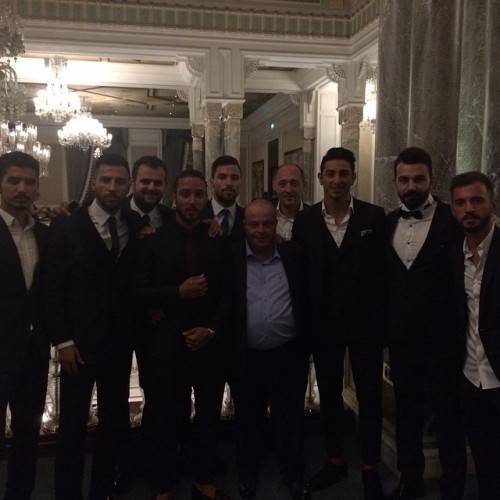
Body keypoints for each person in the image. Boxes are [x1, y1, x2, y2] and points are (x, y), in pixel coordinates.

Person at [45, 153, 143, 500]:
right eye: (106, 180)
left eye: (119, 181)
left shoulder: (135, 223)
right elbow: (51, 288)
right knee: (72, 426)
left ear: (128, 185)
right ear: (94, 183)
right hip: (78, 347)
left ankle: (103, 490)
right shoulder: (66, 227)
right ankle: (67, 494)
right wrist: (62, 340)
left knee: (113, 422)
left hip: (118, 344)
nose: (112, 187)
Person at [293, 147, 386, 500]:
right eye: (330, 173)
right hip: (323, 326)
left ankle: (371, 466)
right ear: (319, 178)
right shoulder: (305, 221)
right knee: (330, 395)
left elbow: (384, 274)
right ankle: (335, 460)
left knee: (370, 396)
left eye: (343, 173)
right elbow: (300, 275)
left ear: (353, 177)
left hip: (366, 326)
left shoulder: (375, 217)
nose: (337, 180)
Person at [134, 169, 233, 500]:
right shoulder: (153, 241)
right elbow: (139, 293)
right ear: (173, 197)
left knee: (208, 415)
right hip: (166, 345)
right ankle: (164, 483)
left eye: (198, 194)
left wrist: (211, 329)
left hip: (208, 343)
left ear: (206, 197)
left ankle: (202, 477)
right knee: (165, 416)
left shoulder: (218, 239)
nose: (192, 201)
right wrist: (177, 292)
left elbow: (229, 294)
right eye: (185, 194)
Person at [386, 147, 466, 500]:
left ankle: (453, 487)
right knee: (406, 414)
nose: (411, 186)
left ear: (431, 179)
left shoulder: (453, 220)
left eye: (418, 179)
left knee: (448, 418)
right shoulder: (387, 222)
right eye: (404, 179)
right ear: (395, 182)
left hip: (444, 342)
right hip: (402, 342)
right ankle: (411, 480)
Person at [231, 199, 309, 500]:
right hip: (245, 356)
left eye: (266, 224)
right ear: (244, 226)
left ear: (276, 225)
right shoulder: (231, 257)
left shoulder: (294, 255)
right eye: (254, 224)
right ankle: (248, 472)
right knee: (247, 418)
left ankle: (293, 472)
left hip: (287, 354)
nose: (260, 230)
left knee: (290, 417)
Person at [0, 152, 50, 500]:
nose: (22, 188)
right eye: (13, 180)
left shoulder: (46, 235)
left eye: (29, 182)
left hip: (33, 353)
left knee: (27, 437)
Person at [450, 171, 500, 500]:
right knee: (484, 458)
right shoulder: (453, 255)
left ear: (492, 202)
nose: (469, 208)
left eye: (476, 200)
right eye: (461, 202)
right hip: (471, 376)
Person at [202, 155, 244, 240]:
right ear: (211, 181)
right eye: (222, 177)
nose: (229, 183)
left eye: (234, 178)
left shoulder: (247, 217)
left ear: (240, 182)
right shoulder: (199, 215)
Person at [128, 155, 174, 228]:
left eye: (158, 183)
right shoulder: (117, 214)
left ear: (165, 186)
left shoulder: (172, 218)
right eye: (145, 181)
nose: (151, 188)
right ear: (133, 183)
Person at [272, 163, 309, 241]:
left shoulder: (315, 218)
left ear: (304, 185)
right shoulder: (266, 215)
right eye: (282, 184)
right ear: (274, 186)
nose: (288, 190)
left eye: (294, 184)